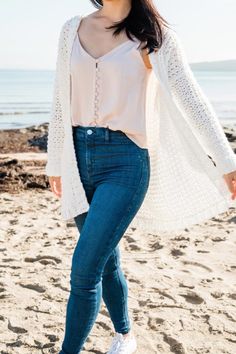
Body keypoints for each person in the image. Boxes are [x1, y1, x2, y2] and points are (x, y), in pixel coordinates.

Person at [46, 1, 236, 353]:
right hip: (77, 160)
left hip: (126, 164)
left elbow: (192, 99)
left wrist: (227, 161)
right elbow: (60, 98)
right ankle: (124, 334)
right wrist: (55, 162)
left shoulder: (154, 36)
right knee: (106, 260)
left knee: (84, 270)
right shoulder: (71, 29)